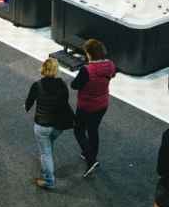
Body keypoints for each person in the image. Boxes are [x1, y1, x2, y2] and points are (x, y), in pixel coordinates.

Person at [25, 57, 72, 189]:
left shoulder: (37, 85)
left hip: (42, 125)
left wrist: (26, 107)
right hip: (58, 126)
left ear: (43, 69)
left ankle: (49, 181)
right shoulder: (62, 85)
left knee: (45, 152)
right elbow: (65, 103)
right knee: (48, 145)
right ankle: (47, 163)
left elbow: (29, 102)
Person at [71, 38, 115, 179]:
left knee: (78, 130)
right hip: (102, 105)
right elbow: (112, 75)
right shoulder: (110, 65)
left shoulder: (86, 70)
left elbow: (74, 85)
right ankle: (90, 155)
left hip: (86, 106)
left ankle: (91, 159)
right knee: (93, 130)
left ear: (89, 53)